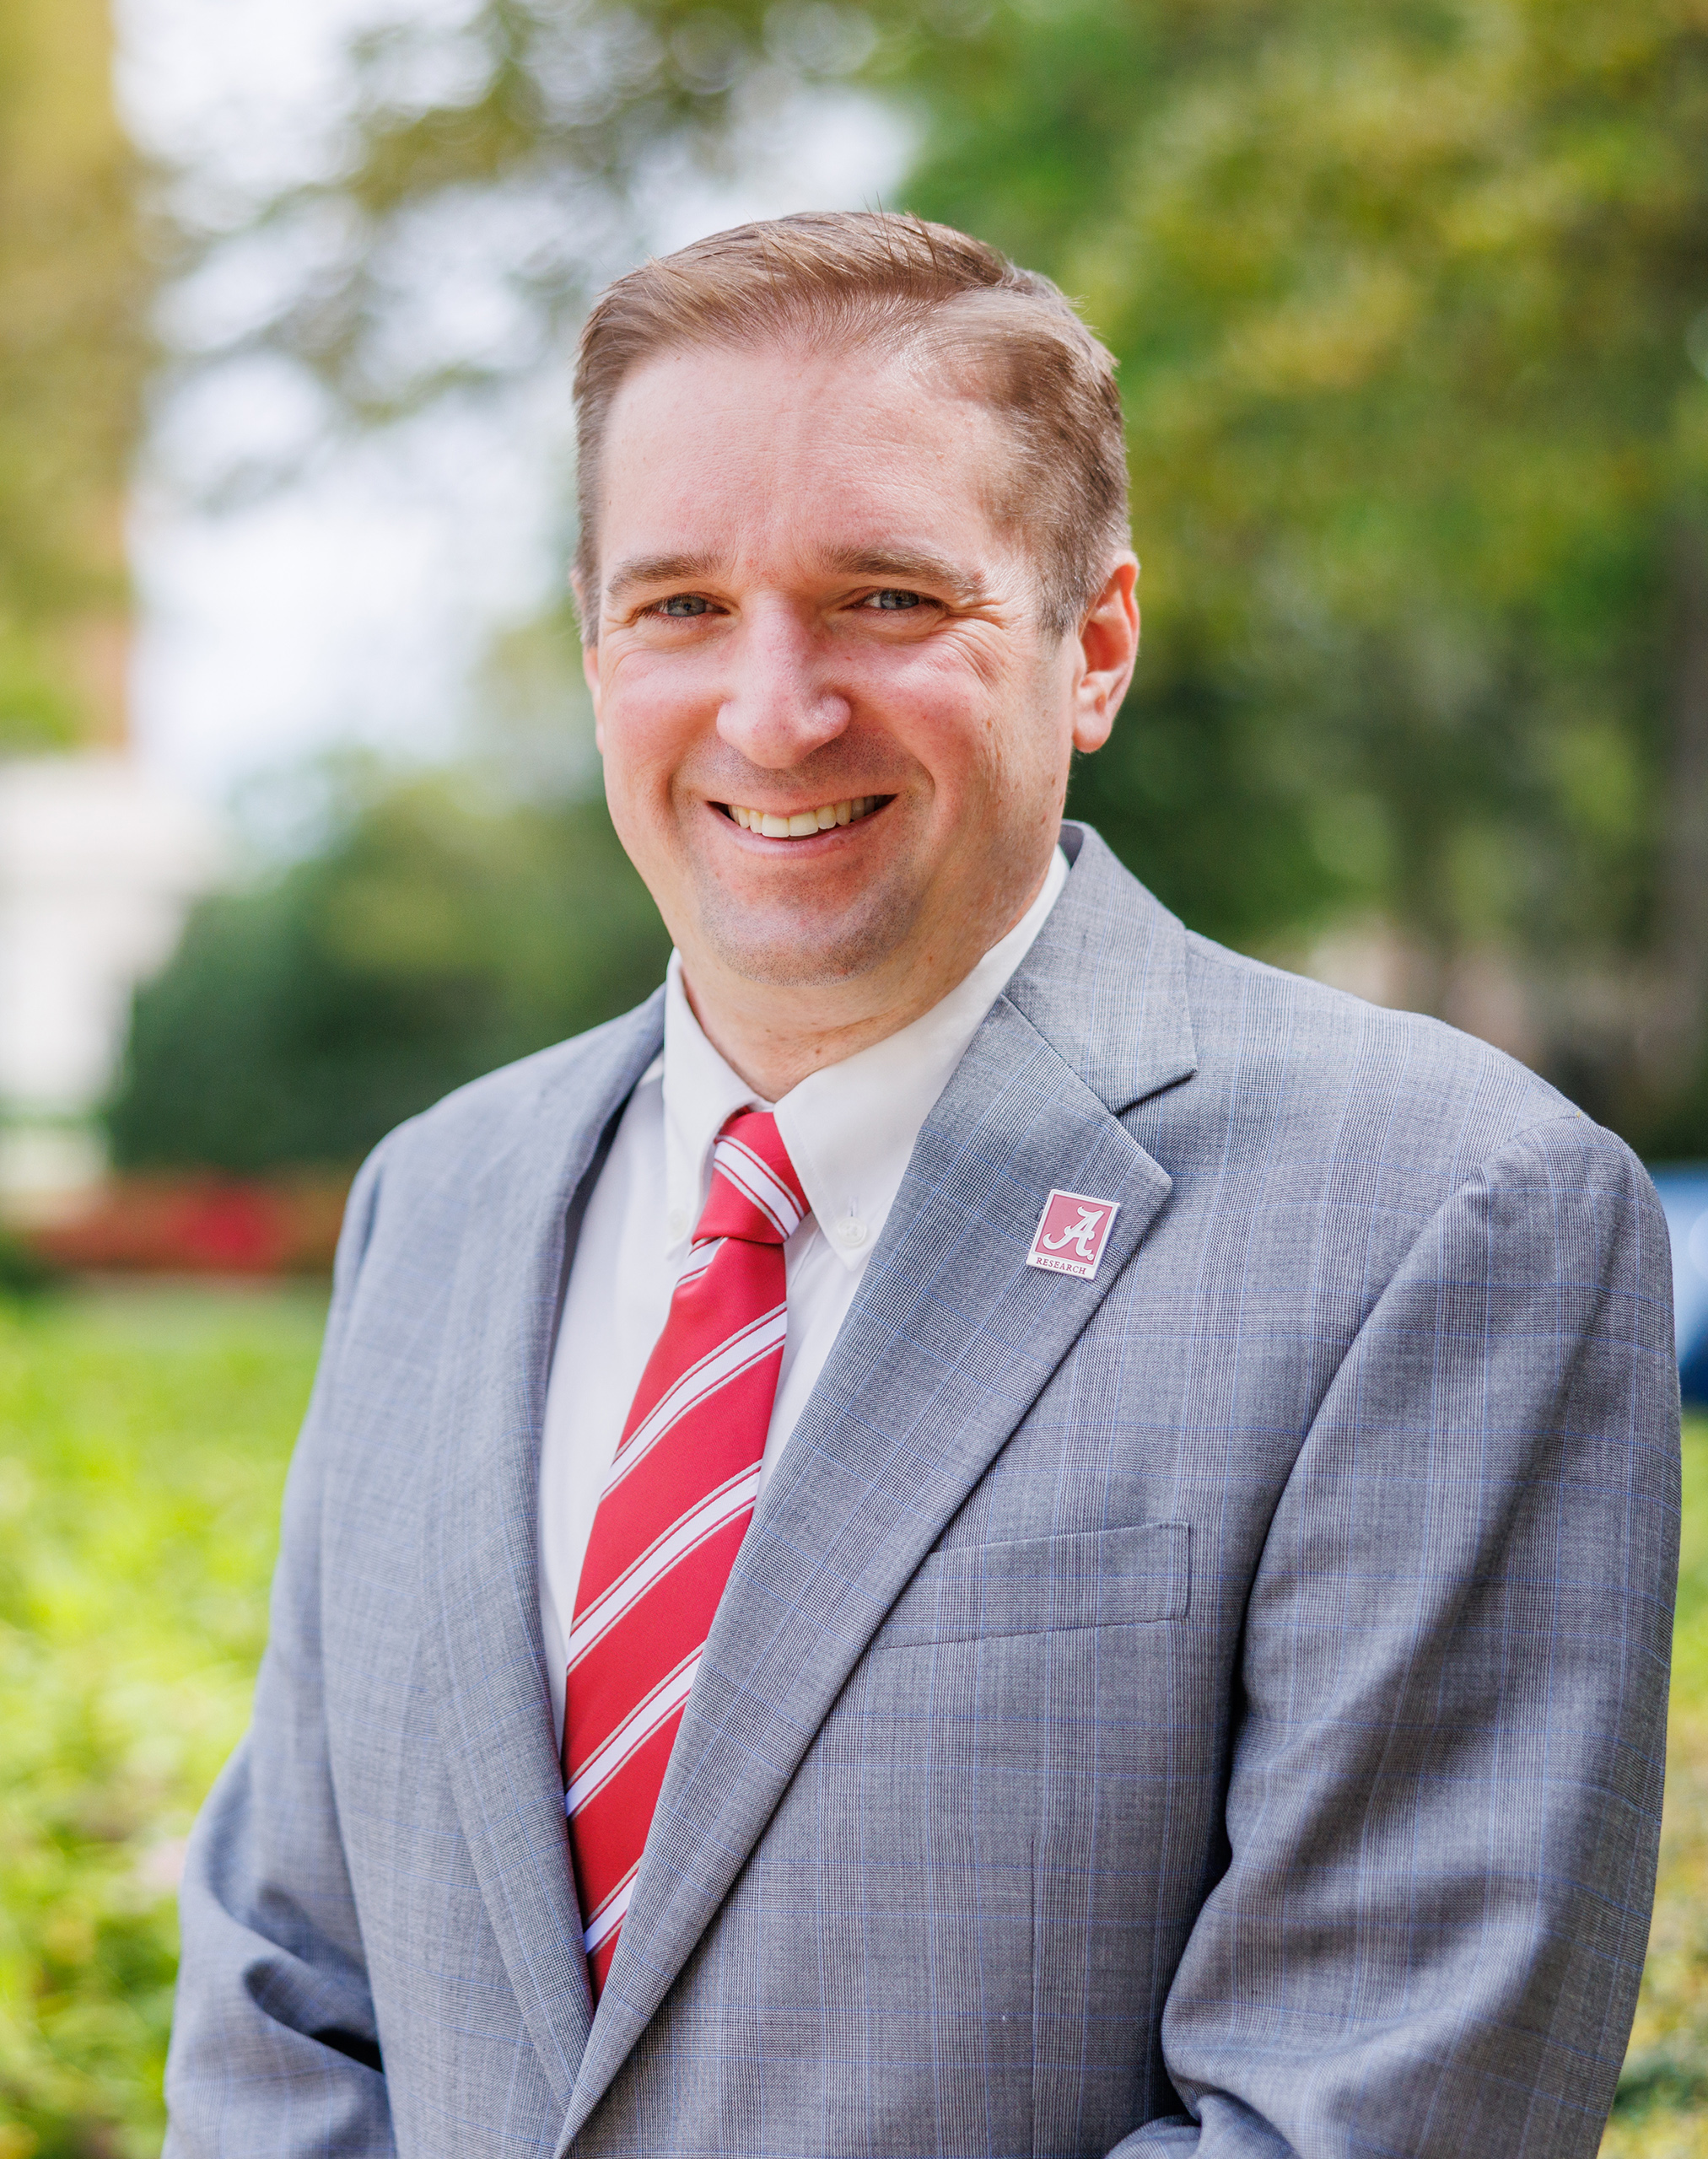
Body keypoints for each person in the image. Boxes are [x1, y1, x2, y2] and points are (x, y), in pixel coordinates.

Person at [164, 212, 1680, 2159]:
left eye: (884, 598)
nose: (775, 708)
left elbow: (1362, 2112)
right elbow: (288, 1988)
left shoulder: (1443, 1220)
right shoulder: (438, 1200)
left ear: (1094, 642)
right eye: (680, 605)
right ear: (592, 638)